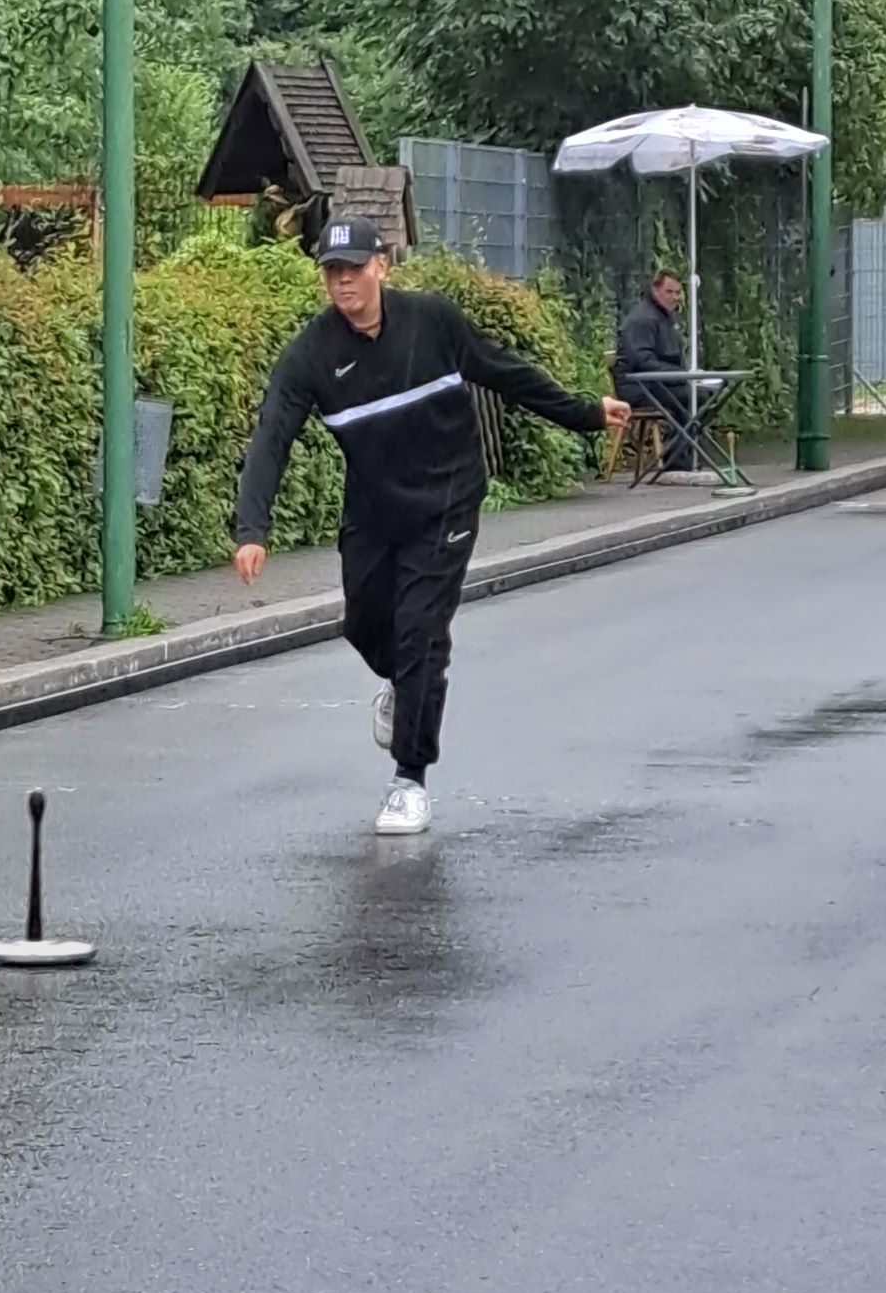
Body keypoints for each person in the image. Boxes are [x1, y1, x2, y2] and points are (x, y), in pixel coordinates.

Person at [233, 217, 631, 837]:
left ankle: (409, 779)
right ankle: (404, 686)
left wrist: (584, 412)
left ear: (382, 266)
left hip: (446, 501)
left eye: (353, 268)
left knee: (421, 633)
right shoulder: (312, 354)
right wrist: (251, 528)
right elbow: (271, 437)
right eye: (332, 272)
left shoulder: (432, 322)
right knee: (365, 625)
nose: (343, 282)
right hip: (373, 511)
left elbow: (505, 371)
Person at [615, 270, 703, 471]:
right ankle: (679, 458)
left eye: (678, 292)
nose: (675, 297)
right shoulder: (643, 320)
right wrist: (682, 375)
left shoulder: (662, 317)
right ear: (655, 290)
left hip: (656, 382)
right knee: (693, 397)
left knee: (698, 395)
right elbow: (643, 361)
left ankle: (683, 454)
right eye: (669, 292)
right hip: (638, 386)